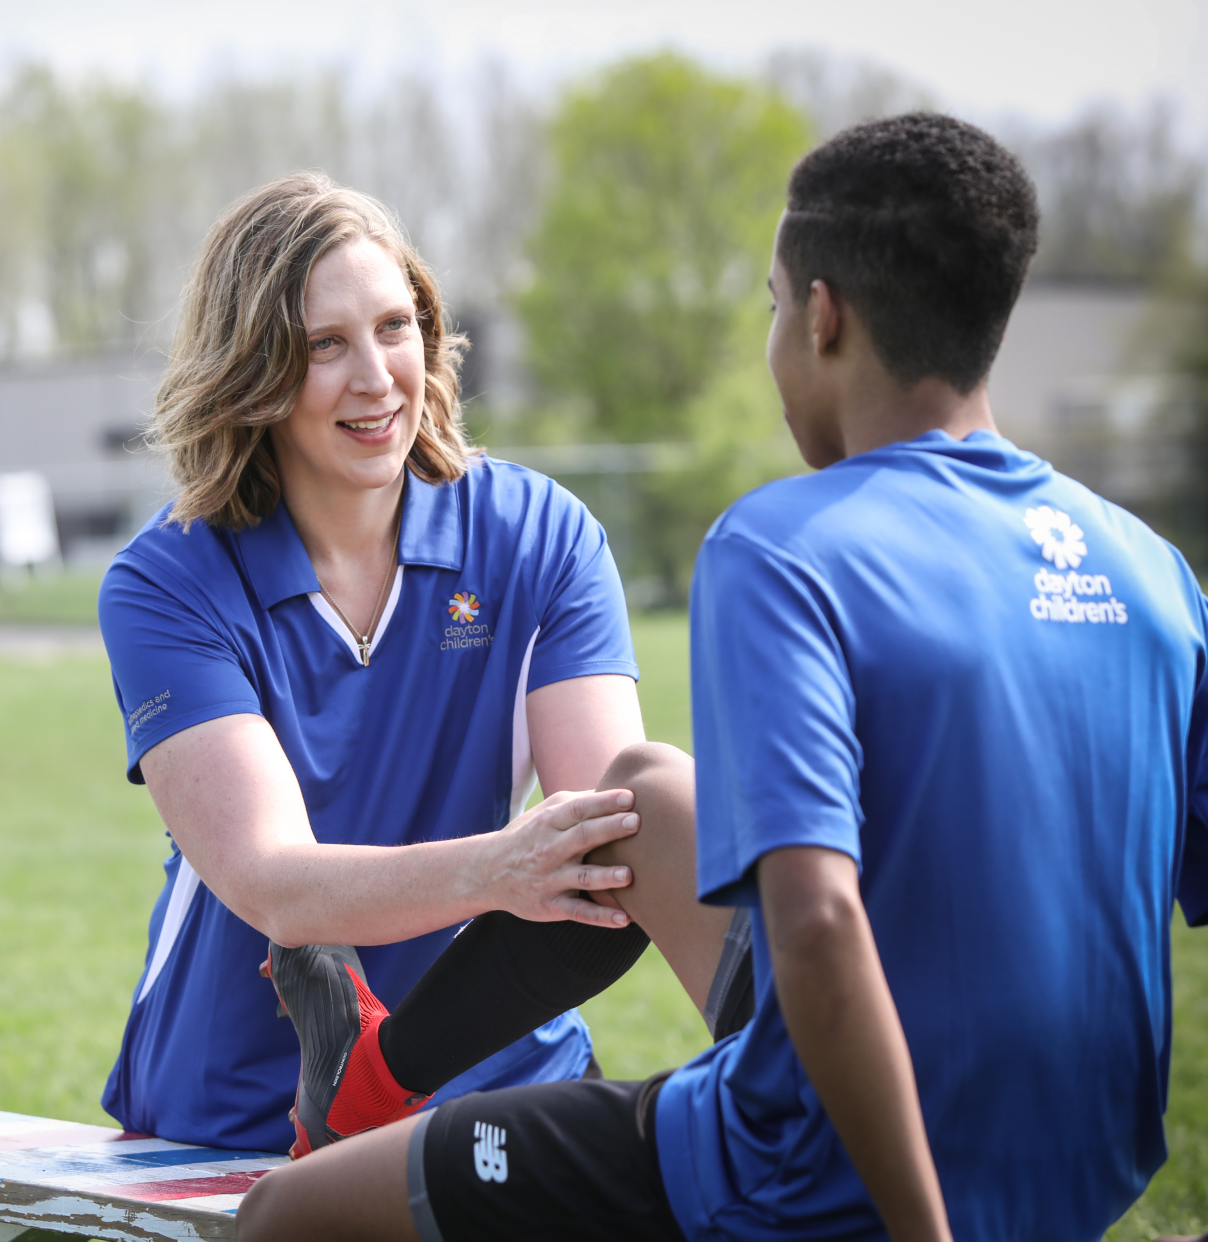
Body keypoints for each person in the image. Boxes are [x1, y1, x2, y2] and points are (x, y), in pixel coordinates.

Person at [236, 113, 1208, 1242]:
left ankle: (346, 1118)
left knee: (282, 1217)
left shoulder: (785, 548)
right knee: (640, 793)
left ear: (821, 316)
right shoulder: (1151, 574)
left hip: (819, 1171)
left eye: (767, 304)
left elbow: (814, 923)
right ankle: (371, 1080)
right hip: (1082, 1161)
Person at [97, 172, 734, 1155]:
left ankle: (797, 1118)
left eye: (395, 327)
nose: (374, 377)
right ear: (251, 369)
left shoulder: (539, 537)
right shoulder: (167, 581)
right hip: (246, 1109)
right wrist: (501, 865)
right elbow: (272, 883)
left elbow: (607, 842)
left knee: (654, 802)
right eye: (323, 345)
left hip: (504, 1084)